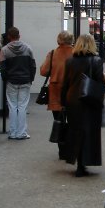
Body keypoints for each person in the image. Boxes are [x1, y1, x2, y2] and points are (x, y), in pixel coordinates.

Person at [60, 34, 105, 177]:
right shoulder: (96, 60)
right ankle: (85, 162)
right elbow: (100, 81)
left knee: (75, 131)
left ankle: (78, 163)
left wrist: (63, 102)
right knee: (89, 132)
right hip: (90, 100)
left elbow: (65, 83)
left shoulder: (70, 61)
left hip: (72, 100)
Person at [39, 30, 74, 160]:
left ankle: (62, 151)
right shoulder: (76, 53)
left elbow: (43, 71)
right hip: (72, 91)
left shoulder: (53, 53)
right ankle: (72, 149)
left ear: (59, 40)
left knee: (59, 121)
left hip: (56, 92)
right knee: (73, 121)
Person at [0, 26, 36, 140]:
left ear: (9, 37)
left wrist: (5, 79)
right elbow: (33, 66)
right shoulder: (28, 48)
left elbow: (3, 68)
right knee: (22, 107)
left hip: (11, 81)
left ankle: (13, 132)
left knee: (12, 106)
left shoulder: (4, 50)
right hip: (25, 80)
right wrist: (31, 79)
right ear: (19, 36)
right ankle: (22, 132)